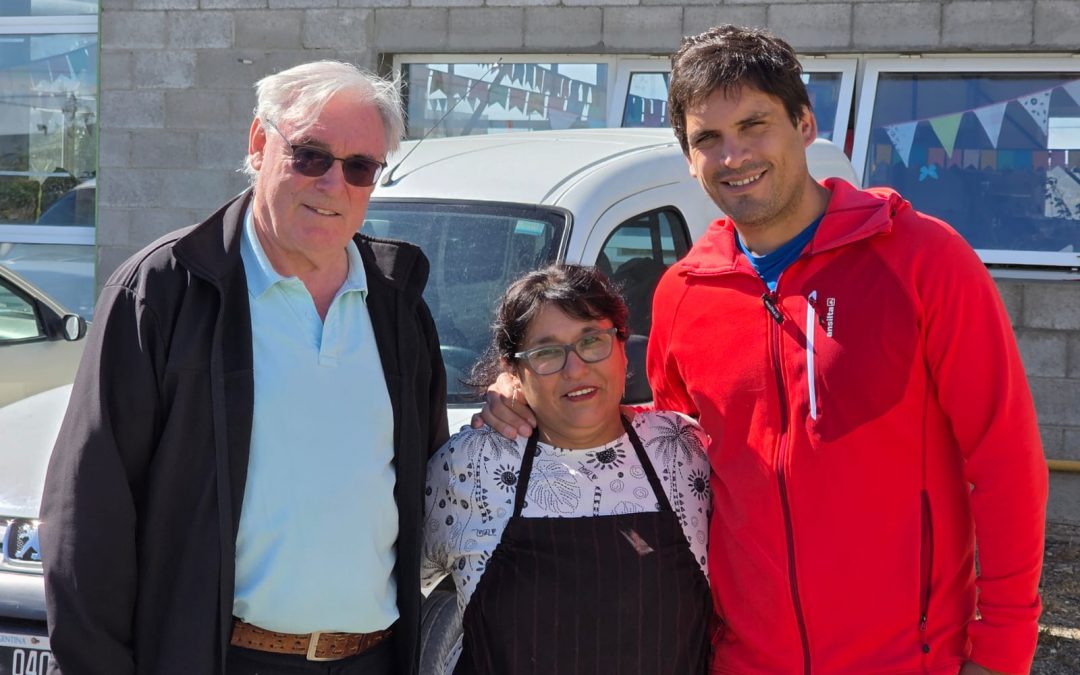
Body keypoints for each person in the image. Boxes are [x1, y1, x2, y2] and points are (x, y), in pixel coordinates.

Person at [477, 26, 1048, 675]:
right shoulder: (683, 295)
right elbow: (673, 466)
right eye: (707, 139)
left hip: (909, 660)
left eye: (754, 124)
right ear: (688, 158)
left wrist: (1001, 651)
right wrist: (531, 388)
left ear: (804, 123)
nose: (733, 155)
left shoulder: (924, 260)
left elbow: (1005, 462)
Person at [40, 61, 449, 675]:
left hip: (373, 659)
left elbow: (433, 489)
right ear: (259, 144)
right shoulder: (165, 292)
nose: (333, 184)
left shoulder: (396, 306)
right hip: (221, 660)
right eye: (311, 155)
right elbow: (88, 517)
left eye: (360, 167)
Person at [423, 264, 713, 674]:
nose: (575, 369)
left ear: (622, 345)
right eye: (546, 353)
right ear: (513, 369)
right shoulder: (473, 465)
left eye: (592, 341)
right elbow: (398, 583)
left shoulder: (682, 450)